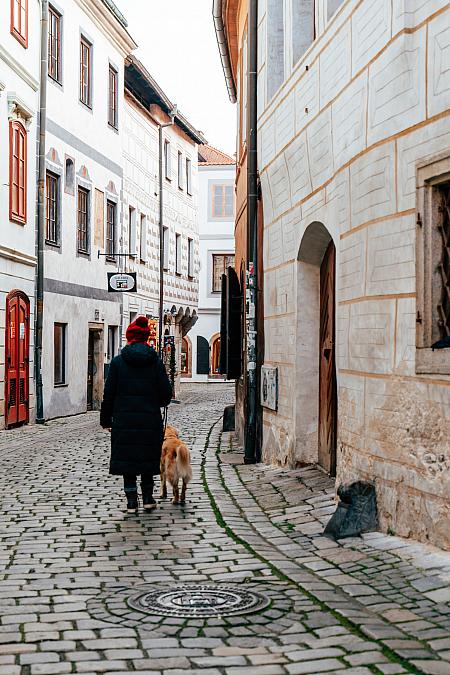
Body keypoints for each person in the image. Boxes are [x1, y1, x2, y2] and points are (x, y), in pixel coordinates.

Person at [100, 316, 172, 513]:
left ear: (128, 338)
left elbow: (109, 393)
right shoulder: (154, 361)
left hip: (124, 419)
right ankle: (148, 498)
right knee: (147, 458)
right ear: (146, 339)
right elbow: (166, 394)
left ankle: (131, 501)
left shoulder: (117, 363)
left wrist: (105, 419)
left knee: (128, 459)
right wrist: (156, 402)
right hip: (149, 418)